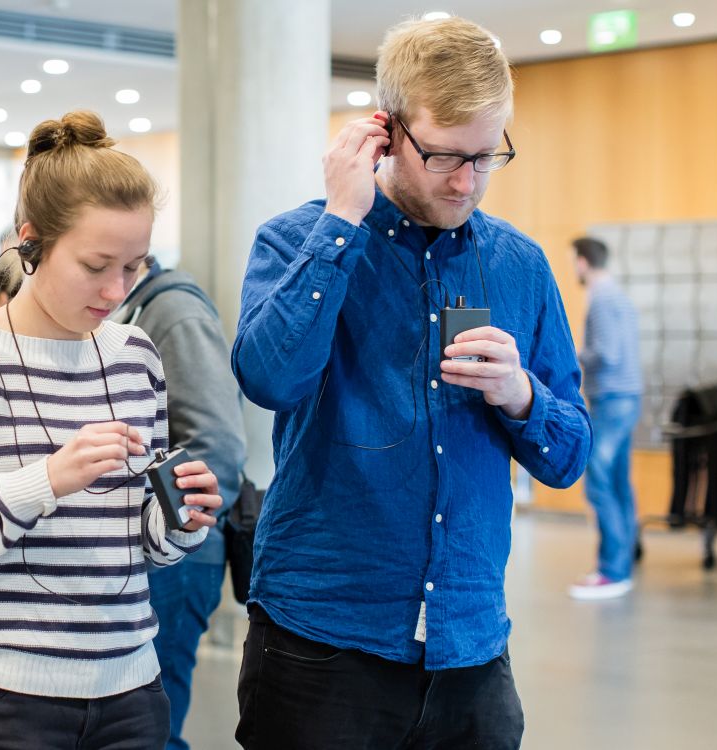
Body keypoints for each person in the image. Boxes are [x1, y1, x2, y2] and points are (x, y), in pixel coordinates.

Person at [231, 16, 592, 750]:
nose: (467, 181)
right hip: (323, 644)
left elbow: (568, 456)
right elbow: (269, 378)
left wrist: (521, 395)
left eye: (487, 157)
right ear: (387, 132)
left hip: (471, 651)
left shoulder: (518, 266)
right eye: (445, 157)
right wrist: (341, 219)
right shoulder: (298, 241)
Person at [0, 110, 222, 750]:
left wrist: (178, 523)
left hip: (130, 689)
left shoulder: (135, 356)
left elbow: (134, 550)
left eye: (133, 267)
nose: (114, 289)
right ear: (31, 240)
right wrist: (45, 481)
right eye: (96, 264)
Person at [113, 257, 246, 750]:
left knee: (151, 729)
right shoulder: (135, 310)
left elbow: (216, 445)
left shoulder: (172, 312)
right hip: (157, 550)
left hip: (178, 557)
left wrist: (170, 524)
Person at [569, 236, 643, 600]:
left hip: (612, 400)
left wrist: (573, 355)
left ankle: (612, 571)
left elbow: (607, 353)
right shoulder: (618, 295)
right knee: (617, 483)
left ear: (582, 262)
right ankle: (622, 565)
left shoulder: (601, 299)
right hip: (626, 398)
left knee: (598, 482)